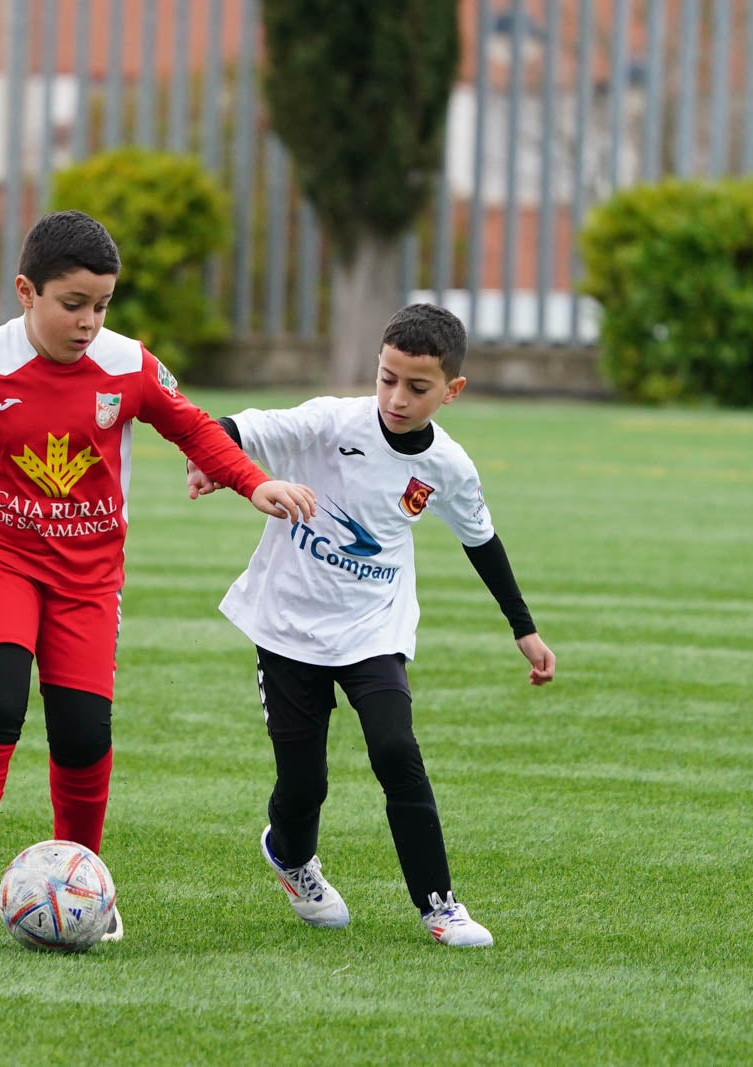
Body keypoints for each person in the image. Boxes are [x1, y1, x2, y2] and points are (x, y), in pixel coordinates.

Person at [0, 210, 317, 949]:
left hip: (88, 577)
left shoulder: (129, 365)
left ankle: (85, 881)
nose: (88, 321)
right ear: (25, 291)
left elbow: (194, 427)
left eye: (101, 305)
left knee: (83, 731)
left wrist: (252, 483)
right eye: (72, 304)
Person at [187, 302, 556, 948]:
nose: (396, 396)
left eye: (417, 387)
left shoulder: (448, 466)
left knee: (395, 749)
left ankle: (439, 904)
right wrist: (210, 459)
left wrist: (522, 627)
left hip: (372, 631)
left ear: (452, 390)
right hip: (287, 627)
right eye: (387, 378)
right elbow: (237, 427)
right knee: (304, 783)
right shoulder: (333, 421)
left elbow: (483, 540)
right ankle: (291, 857)